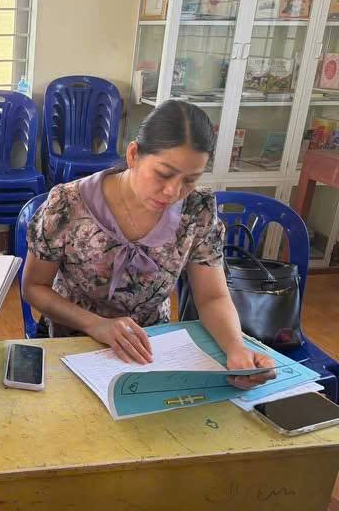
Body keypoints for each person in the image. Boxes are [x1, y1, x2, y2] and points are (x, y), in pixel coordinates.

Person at [22, 100, 275, 389]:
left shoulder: (197, 209)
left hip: (152, 350)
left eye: (190, 180)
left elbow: (212, 297)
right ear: (133, 155)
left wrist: (236, 349)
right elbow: (34, 287)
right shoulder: (68, 203)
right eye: (163, 174)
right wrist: (95, 324)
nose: (173, 191)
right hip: (73, 341)